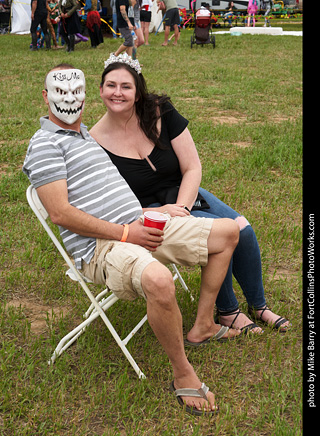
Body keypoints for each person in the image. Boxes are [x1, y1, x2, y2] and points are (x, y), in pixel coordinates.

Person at [23, 62, 241, 416]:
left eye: (75, 91)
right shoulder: (45, 144)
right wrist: (128, 233)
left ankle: (202, 325)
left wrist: (158, 212)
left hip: (141, 224)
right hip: (102, 247)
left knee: (228, 231)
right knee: (158, 279)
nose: (69, 98)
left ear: (84, 95)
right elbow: (61, 214)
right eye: (60, 92)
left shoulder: (86, 138)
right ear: (46, 97)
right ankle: (183, 373)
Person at [90, 53, 291, 335]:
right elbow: (110, 204)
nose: (117, 93)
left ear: (137, 92)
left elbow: (192, 167)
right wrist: (161, 212)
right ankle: (228, 312)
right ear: (100, 90)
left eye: (126, 86)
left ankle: (258, 306)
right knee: (216, 235)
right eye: (111, 85)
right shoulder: (94, 141)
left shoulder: (161, 111)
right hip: (145, 211)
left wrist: (182, 207)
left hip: (184, 193)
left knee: (243, 229)